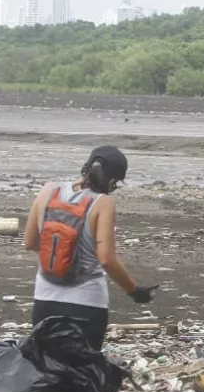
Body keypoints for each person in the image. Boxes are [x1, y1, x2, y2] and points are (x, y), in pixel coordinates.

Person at [23, 146, 156, 350]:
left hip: (45, 300)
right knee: (83, 372)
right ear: (112, 181)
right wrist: (134, 291)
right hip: (86, 305)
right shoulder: (103, 203)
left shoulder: (49, 190)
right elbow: (107, 260)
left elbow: (30, 242)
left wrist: (60, 251)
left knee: (45, 369)